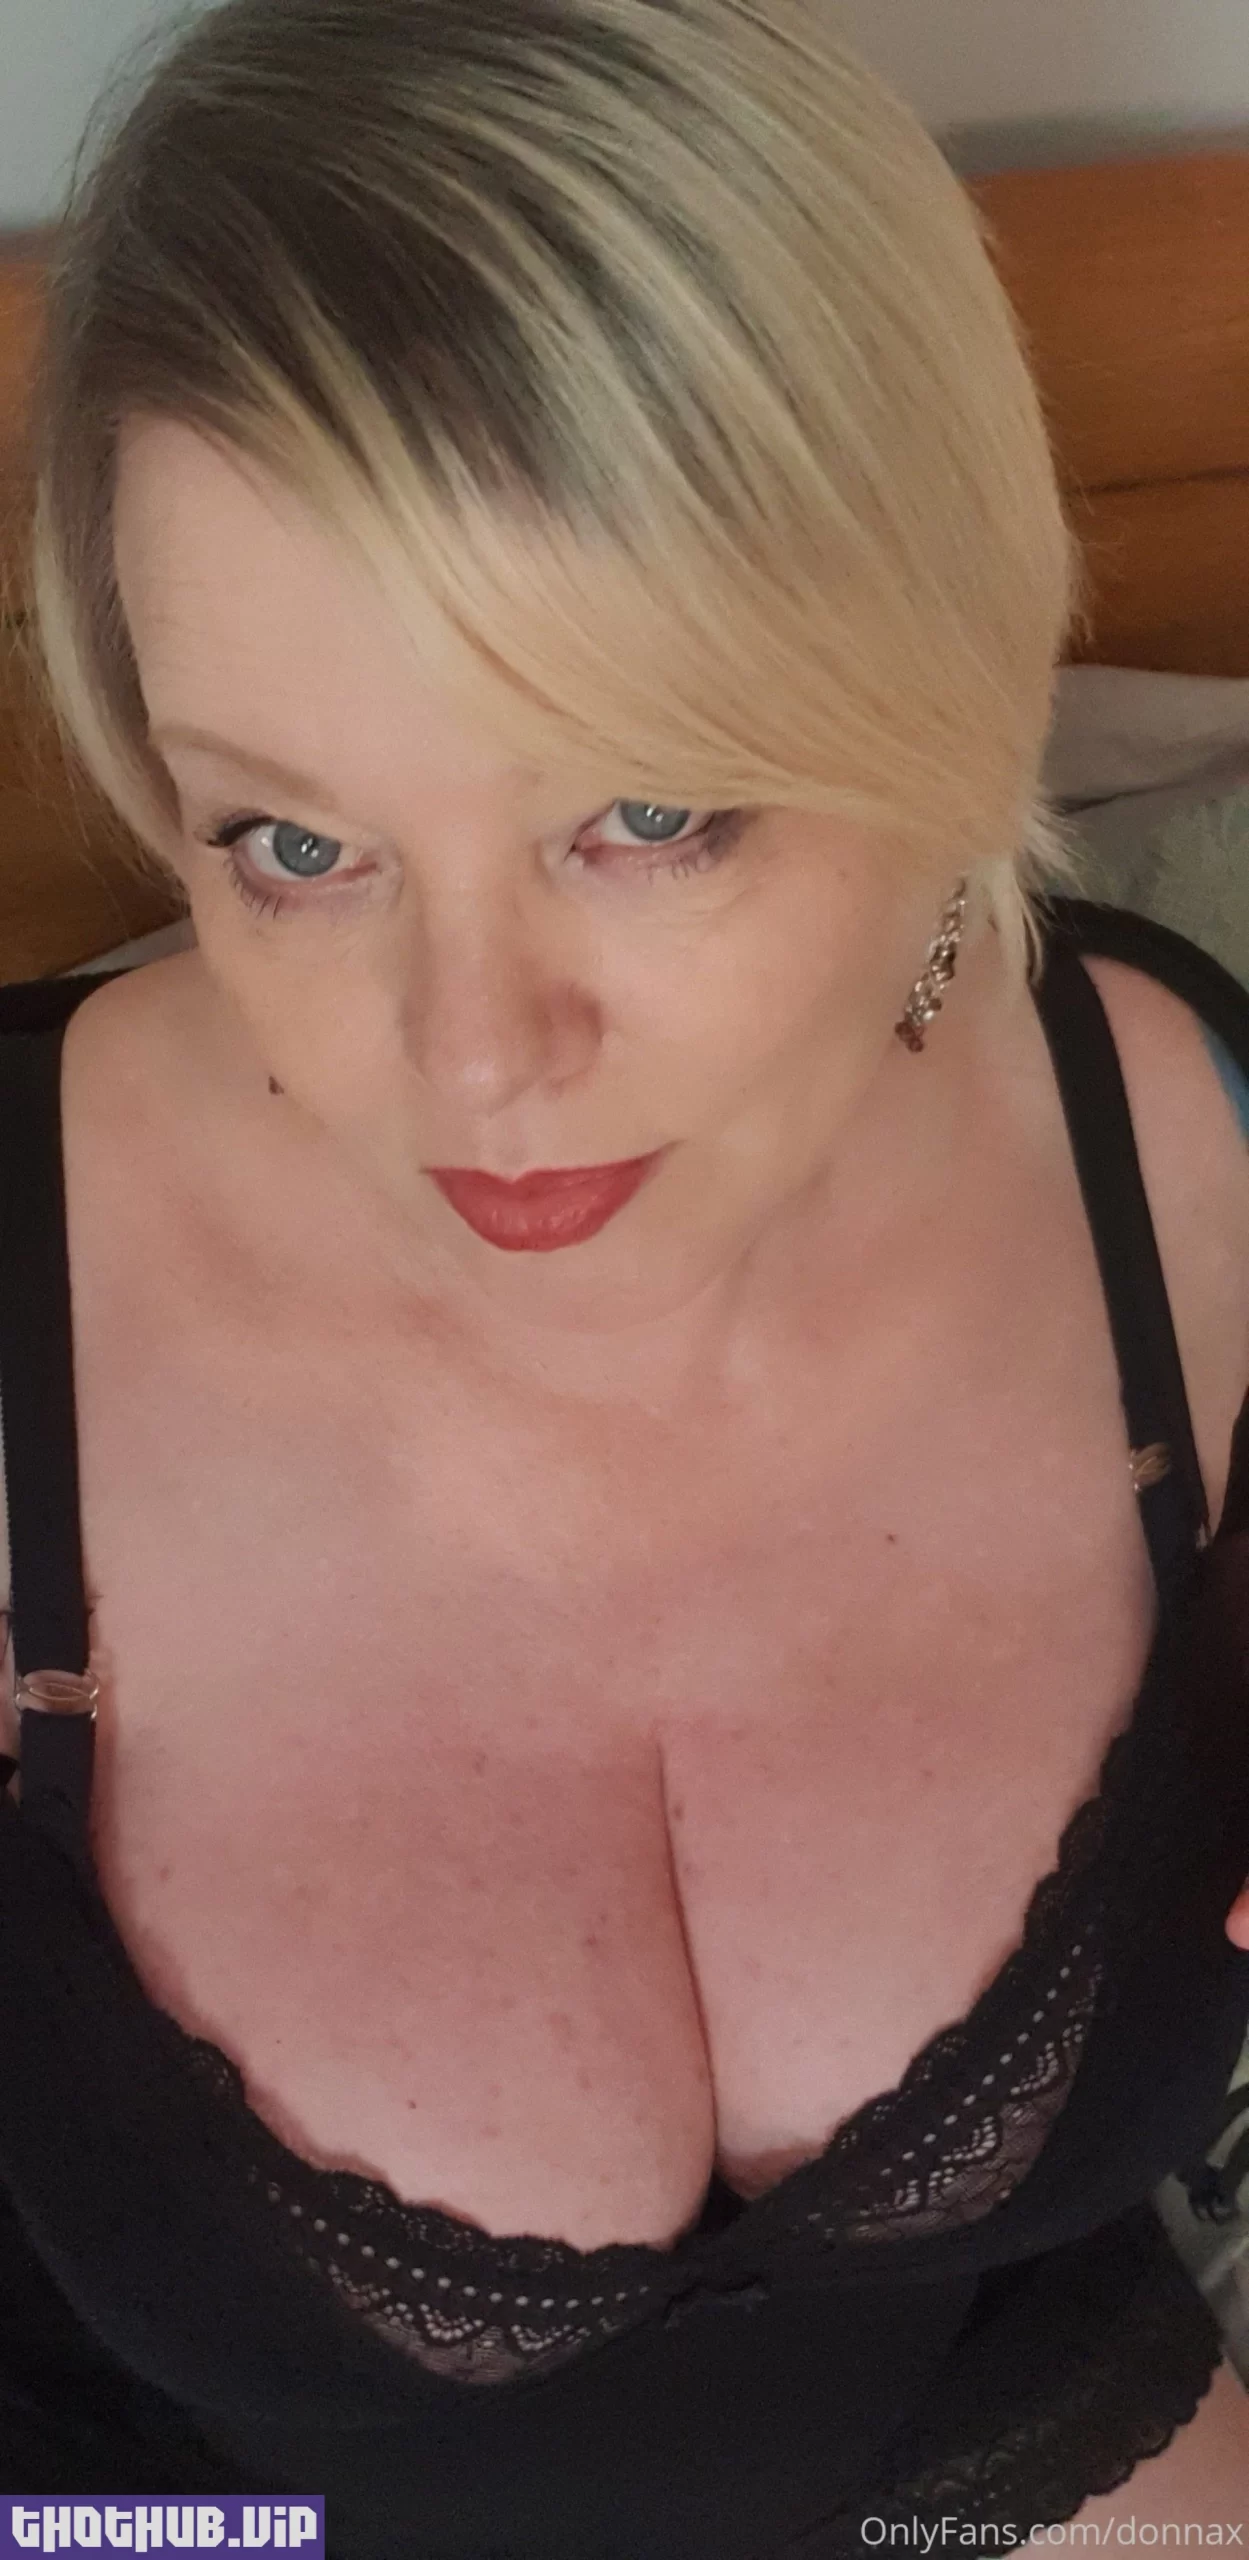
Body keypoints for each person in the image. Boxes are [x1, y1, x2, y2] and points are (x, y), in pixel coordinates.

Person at [2, 0, 1249, 2547]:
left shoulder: (1177, 1130)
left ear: (949, 656)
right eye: (294, 848)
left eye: (648, 809)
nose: (474, 1060)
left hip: (988, 2416)